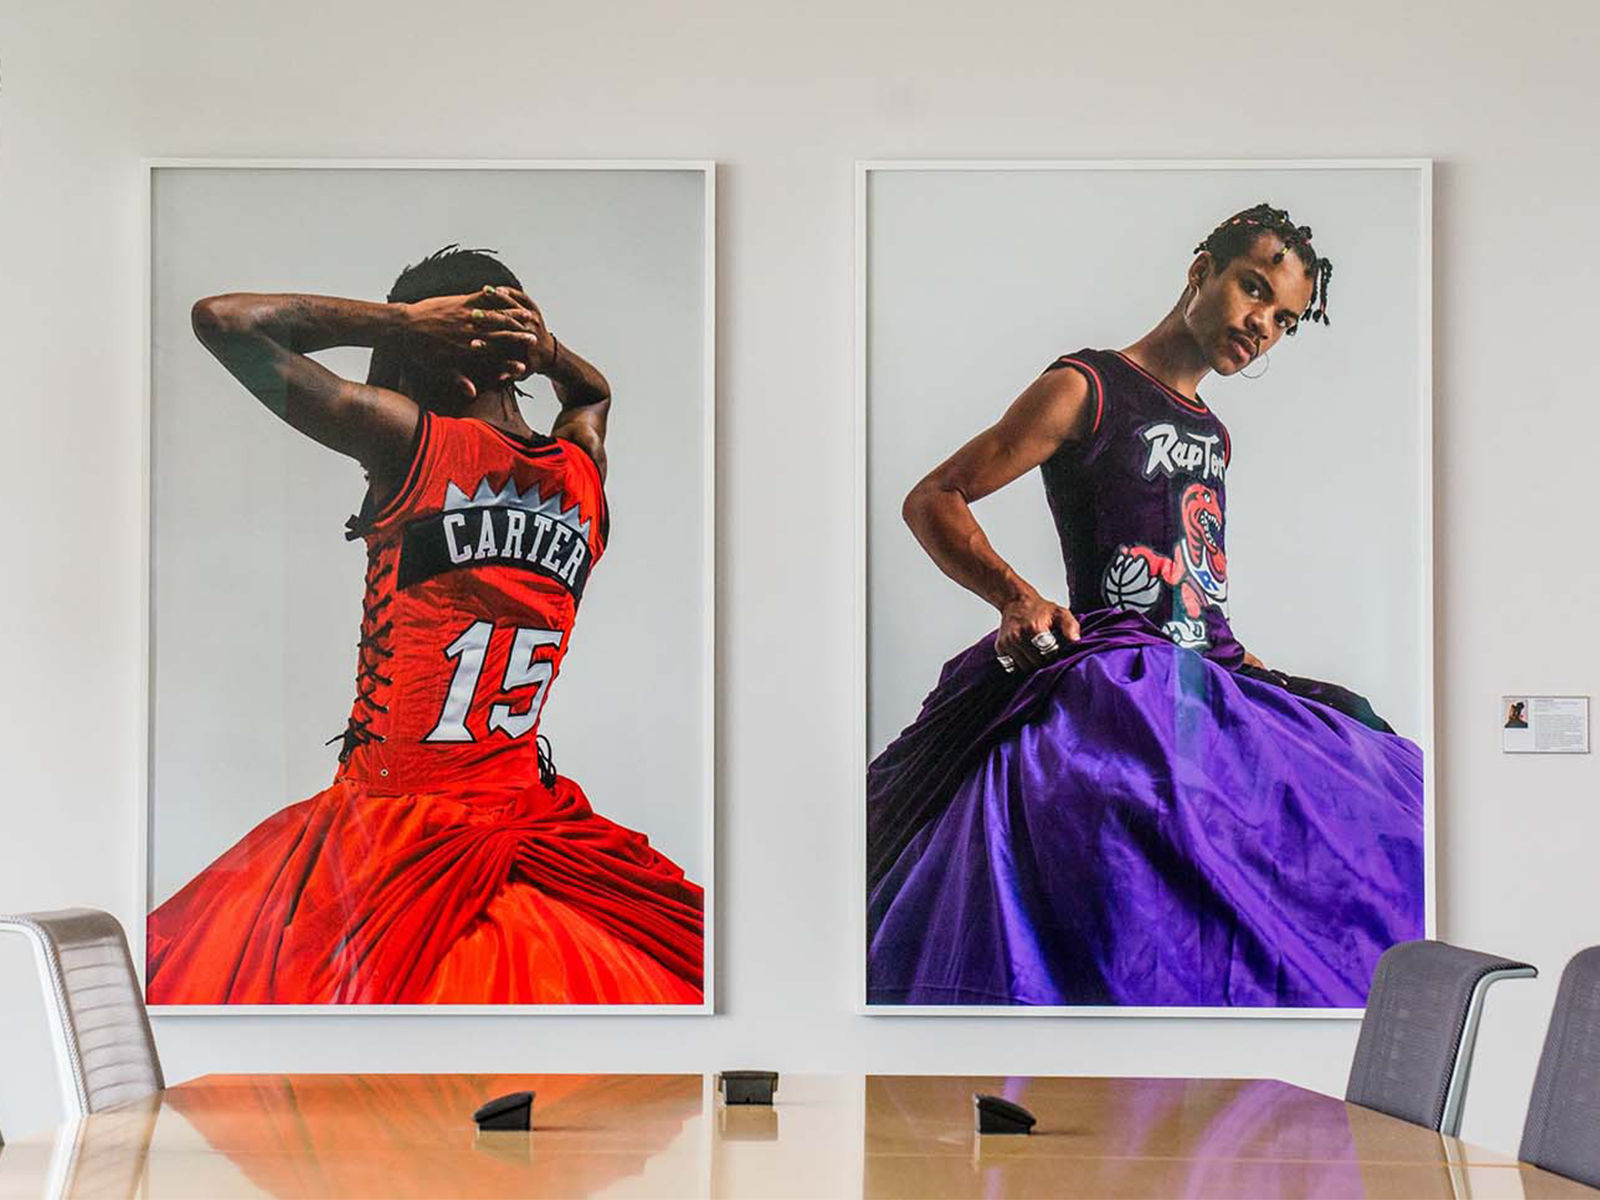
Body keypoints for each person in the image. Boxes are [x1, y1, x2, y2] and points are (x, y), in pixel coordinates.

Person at [867, 205, 1424, 1008]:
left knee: (1375, 754)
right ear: (1202, 269)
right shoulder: (1086, 387)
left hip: (1210, 664)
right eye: (1253, 289)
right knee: (1144, 812)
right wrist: (1017, 597)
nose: (1261, 324)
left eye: (1284, 320)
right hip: (1124, 664)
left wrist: (1239, 652)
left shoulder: (1217, 434)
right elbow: (935, 497)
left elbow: (1191, 569)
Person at [147, 246, 703, 1005]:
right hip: (532, 823)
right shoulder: (581, 467)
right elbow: (594, 391)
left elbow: (223, 321)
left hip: (391, 829)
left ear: (428, 355)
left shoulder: (407, 442)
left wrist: (401, 321)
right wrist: (543, 350)